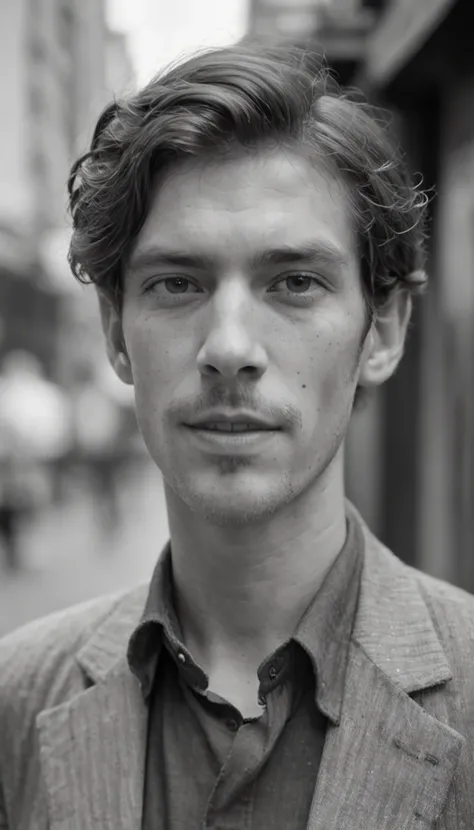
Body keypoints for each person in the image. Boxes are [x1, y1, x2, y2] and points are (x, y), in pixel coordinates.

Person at [0, 43, 472, 829]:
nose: (229, 347)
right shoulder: (17, 699)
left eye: (294, 283)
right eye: (177, 283)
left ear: (382, 331)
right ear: (117, 333)